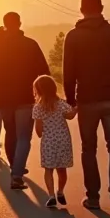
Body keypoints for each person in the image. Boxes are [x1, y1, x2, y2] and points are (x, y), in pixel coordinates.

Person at [63, 0, 110, 217]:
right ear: (102, 8)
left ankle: (93, 197)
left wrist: (71, 100)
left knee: (89, 149)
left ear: (81, 10)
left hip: (86, 100)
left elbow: (68, 73)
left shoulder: (73, 37)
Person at [0, 12, 50, 190]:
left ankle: (15, 168)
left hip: (4, 97)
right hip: (25, 97)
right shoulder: (30, 44)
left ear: (4, 24)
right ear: (20, 23)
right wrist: (43, 93)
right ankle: (17, 174)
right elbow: (44, 71)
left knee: (10, 132)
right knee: (23, 136)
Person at [33, 75, 77, 208]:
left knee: (48, 169)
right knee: (62, 169)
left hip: (48, 142)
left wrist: (43, 129)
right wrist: (76, 109)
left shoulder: (38, 108)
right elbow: (70, 116)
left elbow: (39, 132)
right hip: (63, 139)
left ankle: (51, 195)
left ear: (38, 90)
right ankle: (61, 191)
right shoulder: (61, 104)